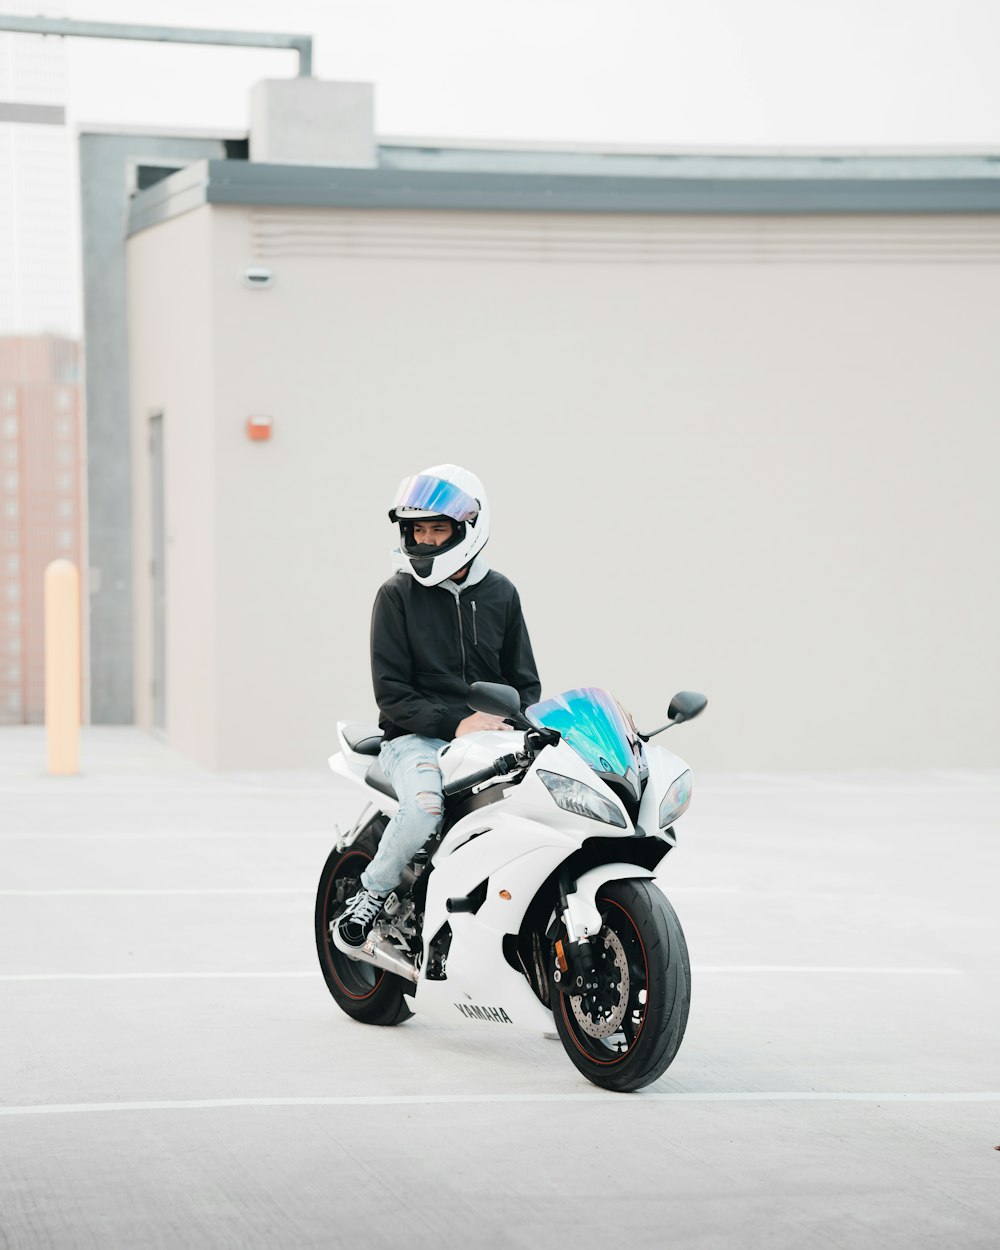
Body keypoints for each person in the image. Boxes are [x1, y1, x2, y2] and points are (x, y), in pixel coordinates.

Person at [333, 463, 541, 956]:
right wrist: (457, 722)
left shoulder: (502, 593)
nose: (424, 541)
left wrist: (522, 723)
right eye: (417, 530)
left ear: (468, 529)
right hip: (414, 737)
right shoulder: (396, 596)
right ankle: (370, 895)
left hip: (492, 737)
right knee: (425, 810)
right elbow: (391, 694)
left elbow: (525, 682)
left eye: (436, 529)